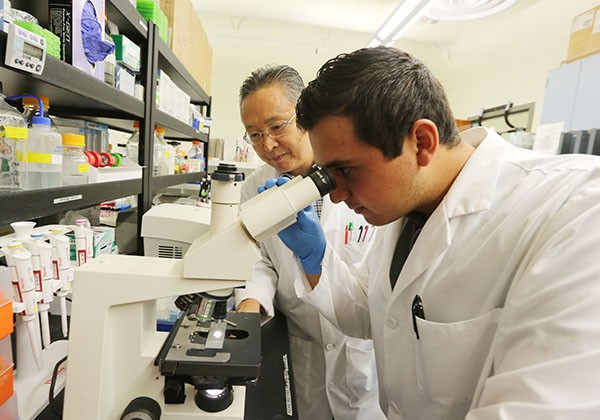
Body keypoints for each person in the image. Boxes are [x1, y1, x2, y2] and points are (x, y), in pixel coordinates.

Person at [268, 46, 600, 420]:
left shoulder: (577, 210)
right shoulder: (407, 205)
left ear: (422, 143)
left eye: (346, 170)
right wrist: (316, 259)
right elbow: (369, 313)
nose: (338, 194)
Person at [235, 64, 385, 420]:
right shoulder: (254, 187)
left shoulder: (354, 175)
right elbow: (259, 259)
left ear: (303, 115)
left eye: (276, 126)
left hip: (361, 347)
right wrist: (250, 305)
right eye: (254, 134)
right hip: (302, 345)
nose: (267, 145)